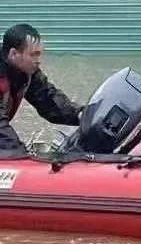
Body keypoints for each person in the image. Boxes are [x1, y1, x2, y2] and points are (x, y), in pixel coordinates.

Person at [0, 23, 83, 152]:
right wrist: (20, 154)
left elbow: (49, 100)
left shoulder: (27, 73)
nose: (38, 60)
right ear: (14, 54)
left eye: (39, 54)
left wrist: (81, 115)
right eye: (33, 55)